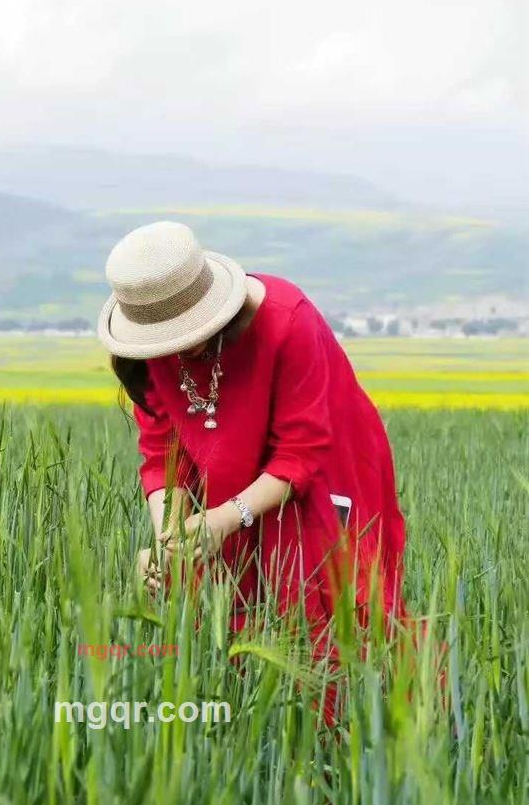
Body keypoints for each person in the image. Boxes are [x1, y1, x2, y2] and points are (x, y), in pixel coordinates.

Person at [97, 221, 408, 725]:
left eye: (187, 335)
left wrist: (225, 518)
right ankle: (252, 748)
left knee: (319, 608)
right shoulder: (151, 352)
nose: (177, 350)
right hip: (227, 482)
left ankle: (339, 751)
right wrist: (169, 539)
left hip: (322, 475)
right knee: (222, 607)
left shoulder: (287, 321)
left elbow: (301, 453)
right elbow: (161, 455)